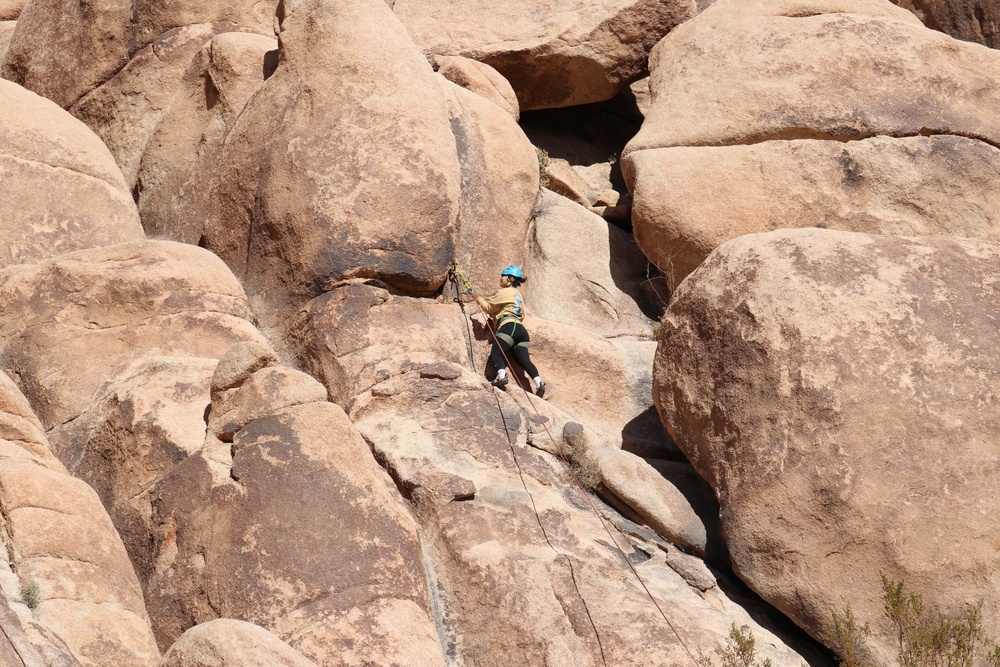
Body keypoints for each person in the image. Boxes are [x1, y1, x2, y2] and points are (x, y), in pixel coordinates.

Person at [476, 265, 545, 397]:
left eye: (503, 276)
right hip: (521, 331)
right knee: (524, 360)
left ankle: (501, 376)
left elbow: (489, 307)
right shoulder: (517, 295)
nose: (500, 278)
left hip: (509, 326)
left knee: (496, 353)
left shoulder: (504, 292)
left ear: (510, 278)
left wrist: (477, 298)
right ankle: (539, 383)